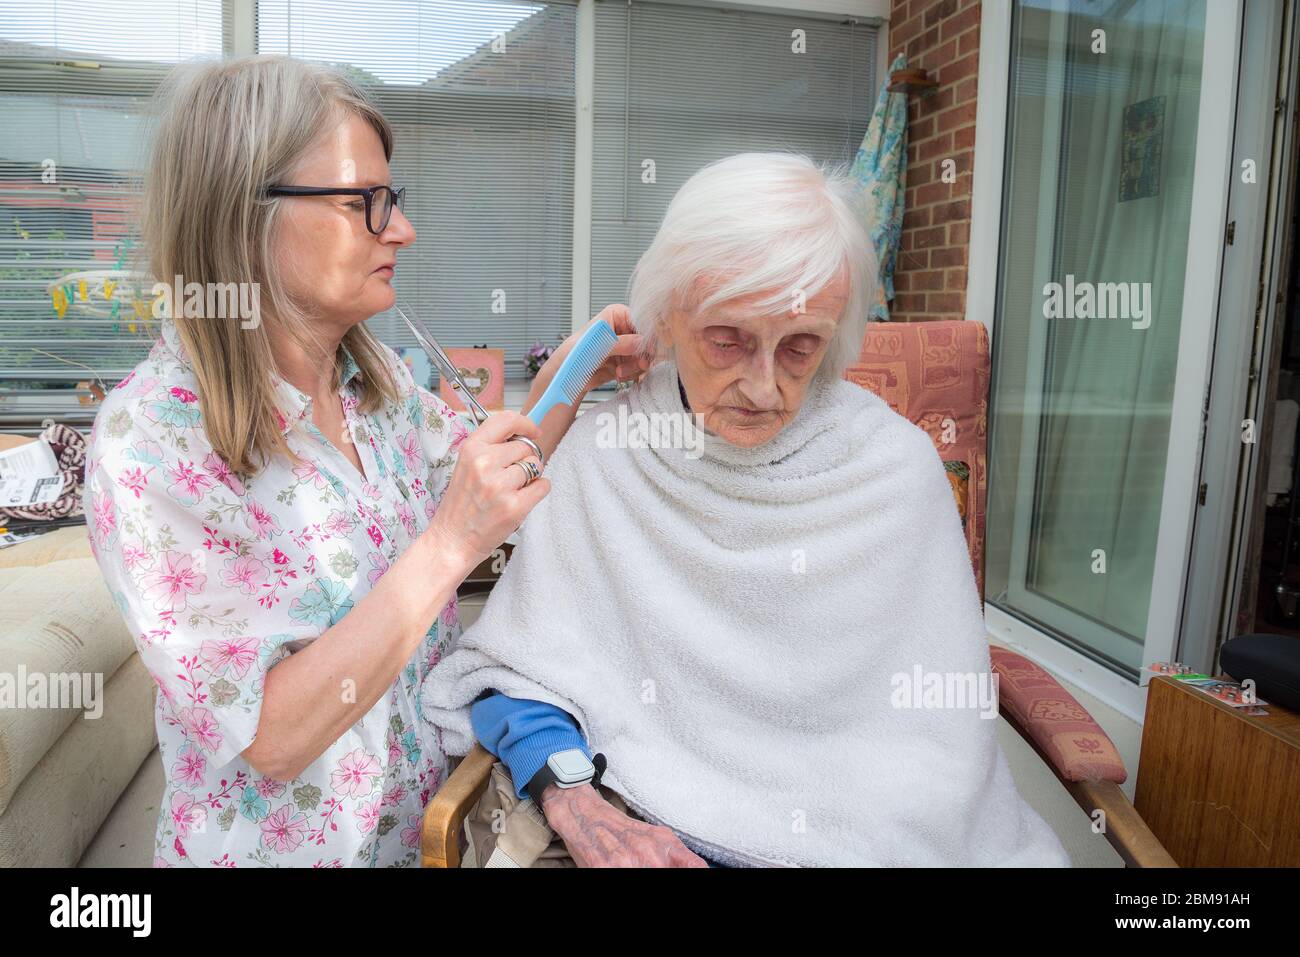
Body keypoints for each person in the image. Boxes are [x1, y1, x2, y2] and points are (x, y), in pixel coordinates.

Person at [421, 153, 1072, 868]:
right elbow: (517, 672)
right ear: (666, 315)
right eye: (728, 339)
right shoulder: (607, 452)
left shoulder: (898, 470)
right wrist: (572, 796)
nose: (763, 389)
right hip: (665, 827)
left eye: (800, 347)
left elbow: (937, 748)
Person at [83, 54, 647, 868]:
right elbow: (270, 736)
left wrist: (582, 362)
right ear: (244, 214)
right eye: (366, 203)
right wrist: (450, 544)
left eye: (396, 200)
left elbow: (504, 460)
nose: (402, 230)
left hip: (417, 838)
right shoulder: (149, 442)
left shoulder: (373, 380)